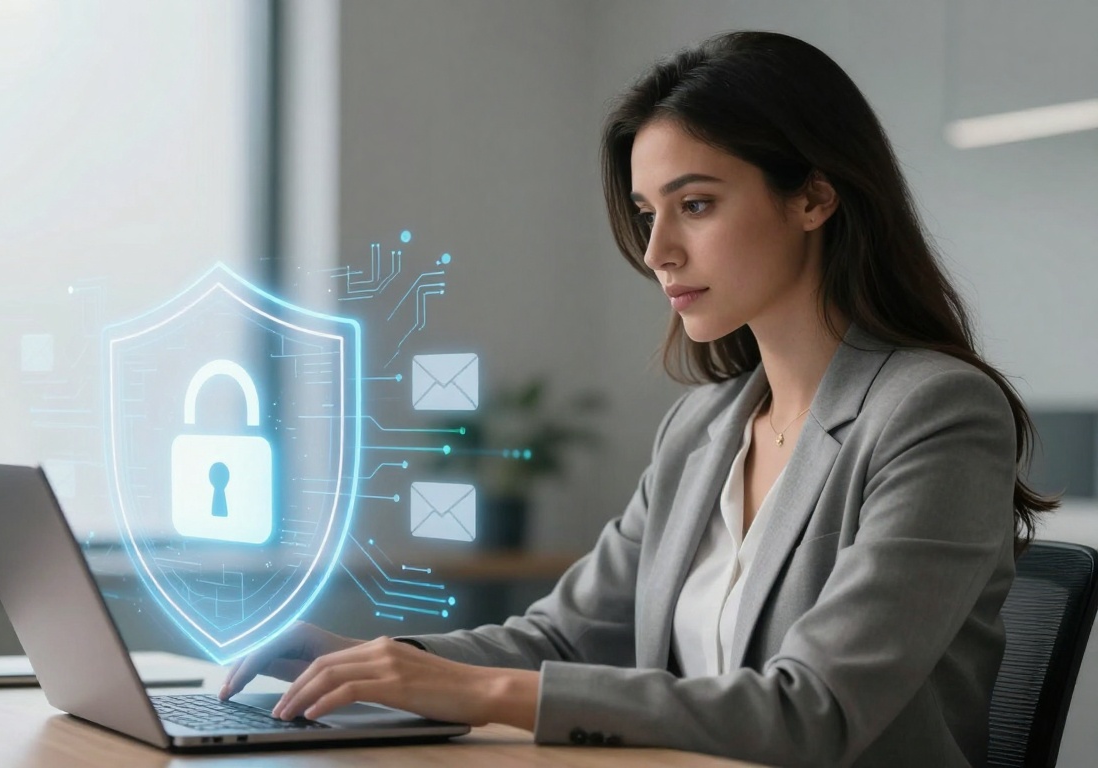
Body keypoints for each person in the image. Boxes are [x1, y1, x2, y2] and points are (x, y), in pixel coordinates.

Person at [219, 30, 1057, 767]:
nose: (657, 250)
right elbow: (561, 638)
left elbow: (816, 714)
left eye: (695, 204)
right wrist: (365, 657)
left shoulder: (936, 413)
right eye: (646, 211)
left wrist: (479, 694)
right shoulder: (703, 427)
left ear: (813, 196)